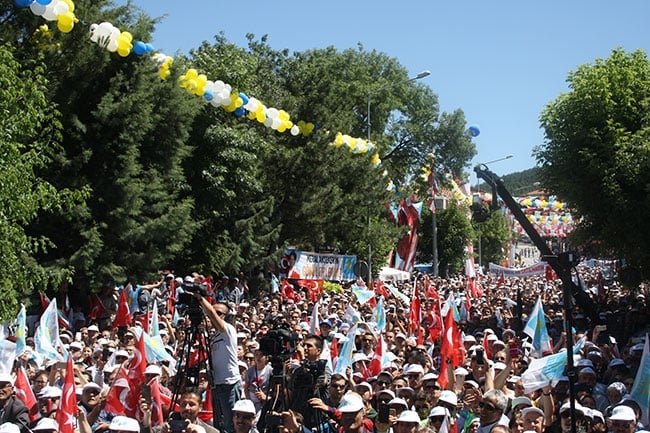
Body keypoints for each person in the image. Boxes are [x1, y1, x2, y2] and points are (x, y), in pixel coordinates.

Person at [195, 294, 242, 433]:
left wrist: (200, 298)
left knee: (231, 426)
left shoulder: (228, 330)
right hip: (217, 384)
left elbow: (211, 314)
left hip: (230, 384)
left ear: (226, 317)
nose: (213, 316)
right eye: (212, 311)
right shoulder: (213, 335)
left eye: (219, 313)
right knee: (218, 426)